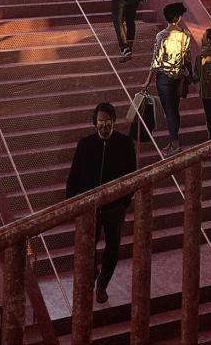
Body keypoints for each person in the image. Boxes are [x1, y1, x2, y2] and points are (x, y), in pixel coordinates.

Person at [65, 102, 137, 304]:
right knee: (88, 248)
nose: (104, 125)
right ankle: (93, 274)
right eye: (100, 121)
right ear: (95, 123)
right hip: (90, 209)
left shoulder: (124, 143)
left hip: (115, 208)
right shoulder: (85, 144)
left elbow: (133, 174)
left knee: (113, 248)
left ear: (113, 121)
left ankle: (102, 285)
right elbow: (74, 174)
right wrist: (70, 202)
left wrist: (124, 201)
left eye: (108, 121)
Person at [149, 1, 195, 154]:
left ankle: (175, 144)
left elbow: (156, 61)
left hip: (163, 78)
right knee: (174, 110)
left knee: (169, 111)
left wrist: (147, 81)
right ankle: (173, 141)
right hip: (178, 77)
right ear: (178, 17)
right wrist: (191, 75)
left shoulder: (161, 35)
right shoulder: (185, 35)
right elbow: (187, 58)